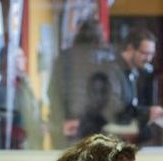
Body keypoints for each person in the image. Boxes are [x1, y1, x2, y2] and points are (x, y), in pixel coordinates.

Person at [47, 19, 114, 149]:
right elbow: (109, 94)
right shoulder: (105, 59)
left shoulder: (65, 57)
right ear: (100, 36)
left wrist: (61, 120)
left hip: (69, 124)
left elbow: (52, 91)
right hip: (96, 125)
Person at [99, 28, 163, 145]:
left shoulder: (134, 72)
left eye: (152, 54)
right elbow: (115, 108)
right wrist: (146, 112)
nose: (148, 59)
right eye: (145, 53)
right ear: (130, 49)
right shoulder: (113, 71)